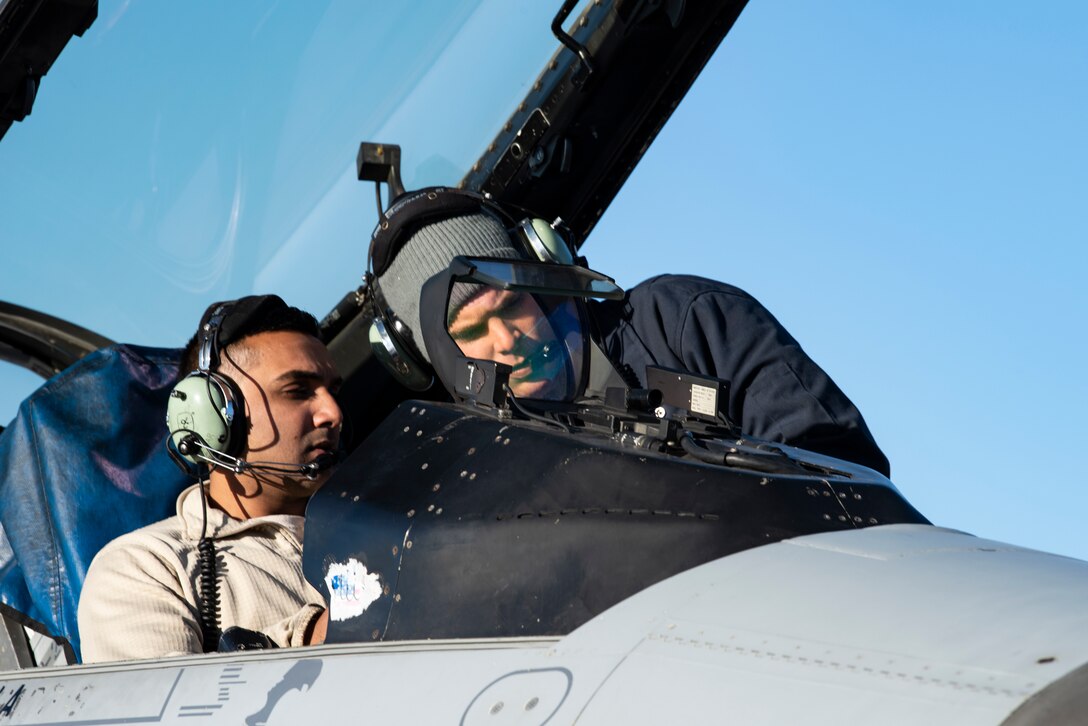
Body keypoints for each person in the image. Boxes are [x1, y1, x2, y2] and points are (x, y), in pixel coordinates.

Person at [374, 196, 890, 477]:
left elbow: (841, 469)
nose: (506, 340)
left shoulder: (684, 321)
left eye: (510, 305)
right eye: (472, 331)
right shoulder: (472, 475)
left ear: (544, 274)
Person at [77, 295, 342, 662]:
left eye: (334, 392)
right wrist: (319, 633)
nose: (332, 413)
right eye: (297, 391)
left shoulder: (385, 522)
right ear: (213, 417)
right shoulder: (146, 568)